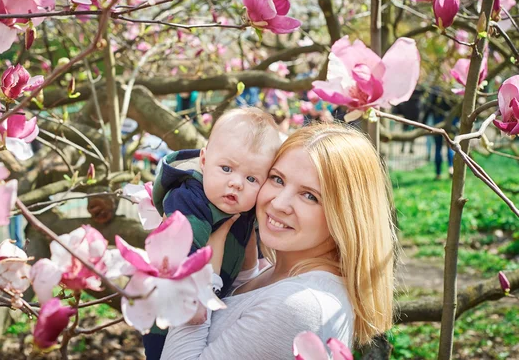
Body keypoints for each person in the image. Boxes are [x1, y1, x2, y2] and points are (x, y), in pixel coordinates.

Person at [160, 122, 397, 360]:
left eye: (309, 196)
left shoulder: (298, 306)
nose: (279, 203)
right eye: (277, 179)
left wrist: (195, 283)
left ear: (347, 216)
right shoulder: (284, 273)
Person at [144, 107, 282, 359]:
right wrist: (194, 296)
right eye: (227, 169)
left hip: (218, 295)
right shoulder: (189, 198)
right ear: (205, 161)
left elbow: (255, 245)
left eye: (252, 178)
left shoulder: (244, 205)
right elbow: (183, 251)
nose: (237, 183)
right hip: (170, 305)